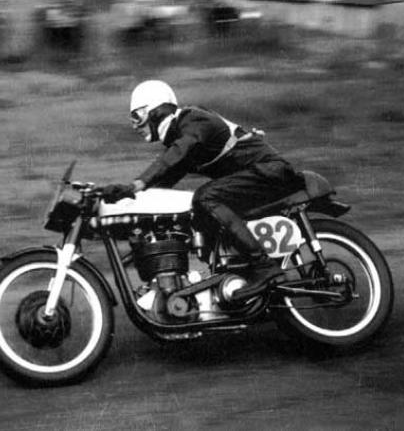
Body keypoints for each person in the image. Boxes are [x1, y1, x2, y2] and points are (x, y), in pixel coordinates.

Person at [101, 80, 304, 300]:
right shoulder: (182, 134)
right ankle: (226, 273)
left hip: (269, 172)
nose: (134, 126)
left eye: (136, 117)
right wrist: (129, 198)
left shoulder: (193, 120)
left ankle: (263, 266)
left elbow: (173, 156)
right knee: (192, 213)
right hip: (257, 176)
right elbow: (166, 176)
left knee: (205, 198)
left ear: (155, 110)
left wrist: (135, 184)